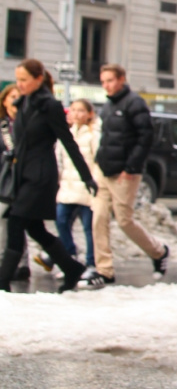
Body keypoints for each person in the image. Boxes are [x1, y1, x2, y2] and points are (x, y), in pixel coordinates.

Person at [0, 60, 97, 292]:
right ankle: (72, 268)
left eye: (24, 80)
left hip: (40, 176)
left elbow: (67, 141)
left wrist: (86, 177)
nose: (20, 84)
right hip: (24, 175)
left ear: (37, 79)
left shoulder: (49, 106)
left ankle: (2, 283)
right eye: (18, 80)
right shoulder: (23, 103)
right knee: (35, 228)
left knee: (15, 222)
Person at [82, 63, 168, 289]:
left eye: (109, 80)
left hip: (125, 173)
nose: (106, 86)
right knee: (98, 218)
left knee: (124, 221)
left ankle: (158, 252)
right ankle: (104, 270)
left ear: (121, 79)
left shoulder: (134, 103)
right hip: (104, 169)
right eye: (103, 82)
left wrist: (131, 168)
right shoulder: (108, 107)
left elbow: (145, 137)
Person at [52, 97, 101, 275]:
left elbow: (98, 161)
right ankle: (70, 257)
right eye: (73, 110)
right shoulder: (67, 133)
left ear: (89, 114)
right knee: (61, 220)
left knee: (89, 227)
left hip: (88, 188)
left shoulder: (94, 134)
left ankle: (91, 263)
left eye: (80, 110)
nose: (76, 114)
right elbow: (59, 161)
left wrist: (94, 182)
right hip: (67, 187)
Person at [0, 82, 30, 282]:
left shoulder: (27, 124)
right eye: (12, 96)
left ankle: (21, 264)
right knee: (4, 222)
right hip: (3, 181)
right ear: (4, 101)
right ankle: (8, 263)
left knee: (20, 223)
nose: (16, 100)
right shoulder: (3, 126)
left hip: (23, 180)